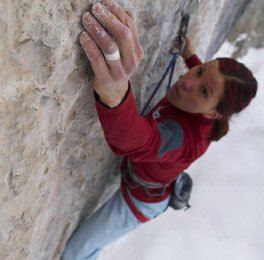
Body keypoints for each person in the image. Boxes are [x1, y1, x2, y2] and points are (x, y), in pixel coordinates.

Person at [62, 1, 258, 259]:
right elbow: (206, 79)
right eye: (199, 71)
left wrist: (116, 94)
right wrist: (190, 56)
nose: (188, 82)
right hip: (143, 188)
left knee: (76, 252)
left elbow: (137, 141)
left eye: (203, 90)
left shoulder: (182, 138)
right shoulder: (207, 112)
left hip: (136, 204)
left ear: (213, 113)